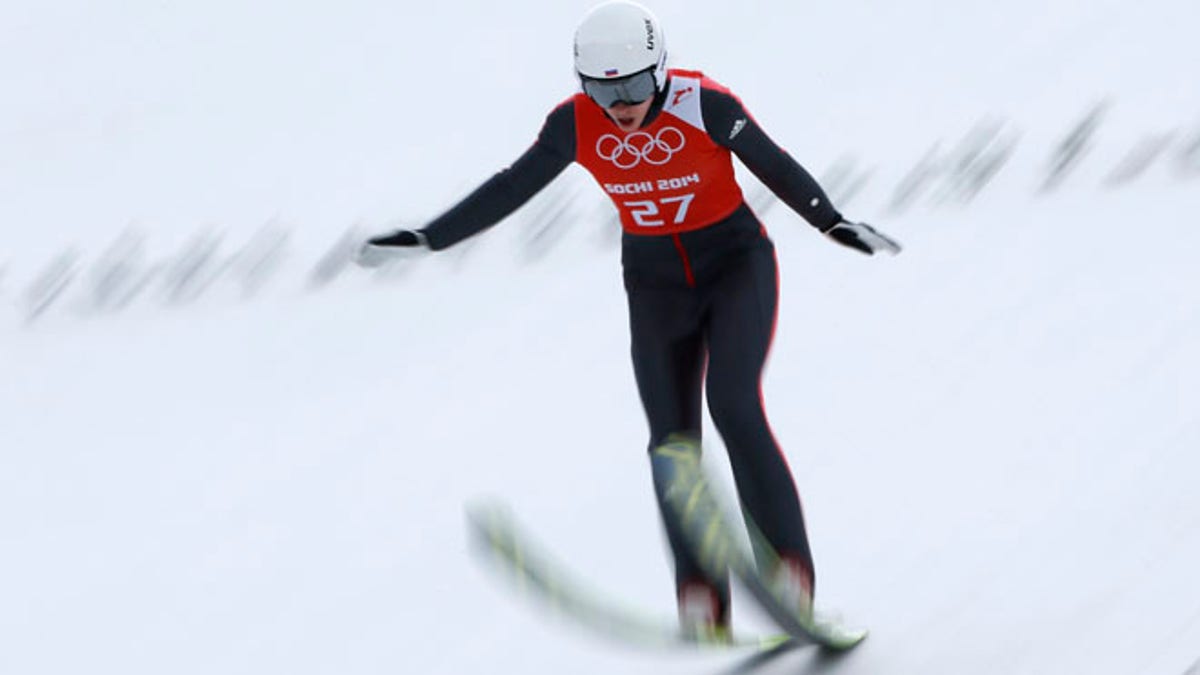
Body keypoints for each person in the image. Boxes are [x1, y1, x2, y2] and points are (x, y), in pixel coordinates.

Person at [358, 0, 899, 639]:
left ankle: (790, 579)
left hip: (735, 266)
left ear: (661, 72)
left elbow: (772, 161)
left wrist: (830, 220)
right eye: (604, 90)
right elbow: (511, 187)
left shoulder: (705, 104)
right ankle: (702, 599)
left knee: (733, 402)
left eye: (637, 87)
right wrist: (430, 238)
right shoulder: (574, 125)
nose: (622, 105)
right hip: (654, 284)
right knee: (672, 446)